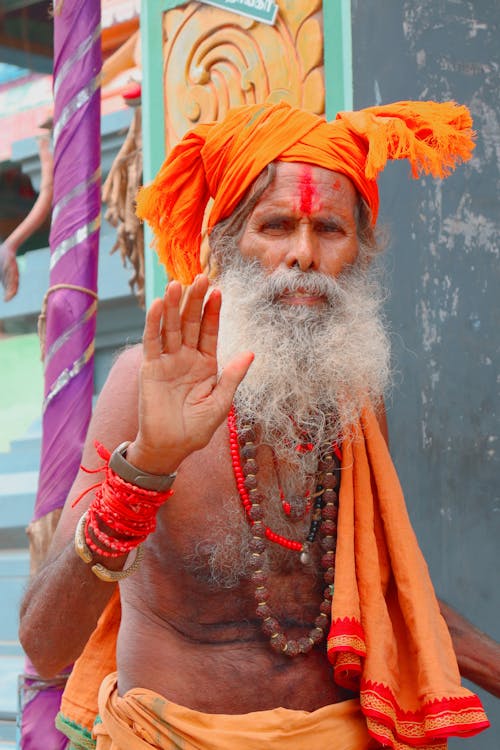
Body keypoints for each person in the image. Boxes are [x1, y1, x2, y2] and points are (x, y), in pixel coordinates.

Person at [19, 101, 498, 750]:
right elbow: (45, 645)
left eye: (329, 229)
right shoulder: (143, 382)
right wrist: (146, 468)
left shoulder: (353, 401)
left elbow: (387, 590)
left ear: (359, 253)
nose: (302, 254)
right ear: (226, 245)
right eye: (276, 226)